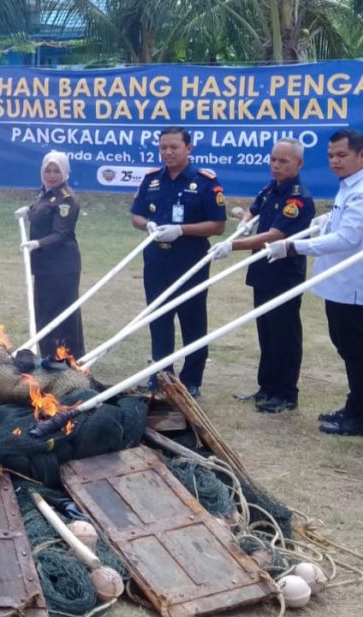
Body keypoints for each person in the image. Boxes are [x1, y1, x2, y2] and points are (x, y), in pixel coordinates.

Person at [266, 128, 363, 436]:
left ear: (362, 156)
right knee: (348, 347)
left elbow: (348, 239)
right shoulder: (350, 185)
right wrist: (325, 223)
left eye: (342, 155)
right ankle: (357, 405)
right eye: (330, 156)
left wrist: (294, 246)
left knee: (356, 350)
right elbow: (347, 227)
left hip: (354, 285)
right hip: (339, 282)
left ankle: (361, 415)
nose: (335, 162)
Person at [209, 139, 315, 413]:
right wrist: (244, 224)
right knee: (266, 331)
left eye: (284, 161)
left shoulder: (298, 198)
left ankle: (286, 393)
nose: (276, 166)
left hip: (284, 275)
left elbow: (275, 236)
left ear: (299, 164)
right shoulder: (271, 189)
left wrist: (233, 245)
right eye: (273, 160)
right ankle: (266, 386)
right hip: (262, 271)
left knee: (284, 334)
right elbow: (252, 210)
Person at [130, 126, 227, 397]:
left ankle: (192, 380)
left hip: (190, 259)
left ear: (189, 148)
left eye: (174, 147)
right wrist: (147, 224)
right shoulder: (151, 179)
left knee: (192, 319)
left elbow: (218, 225)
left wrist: (182, 229)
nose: (168, 152)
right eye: (163, 147)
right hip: (156, 259)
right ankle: (161, 375)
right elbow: (135, 215)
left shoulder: (205, 181)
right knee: (158, 317)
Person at [15, 150, 84, 359]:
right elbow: (43, 209)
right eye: (48, 170)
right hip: (44, 265)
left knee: (63, 313)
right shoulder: (45, 193)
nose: (52, 175)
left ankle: (71, 358)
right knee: (43, 311)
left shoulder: (67, 199)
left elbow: (62, 233)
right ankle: (48, 356)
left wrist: (37, 243)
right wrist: (29, 209)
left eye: (57, 171)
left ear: (65, 172)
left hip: (62, 266)